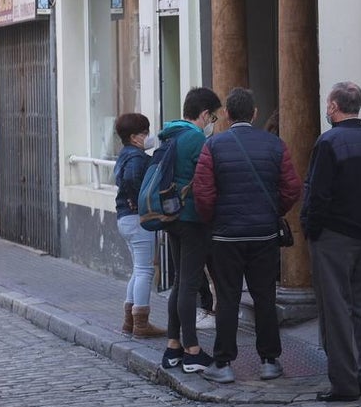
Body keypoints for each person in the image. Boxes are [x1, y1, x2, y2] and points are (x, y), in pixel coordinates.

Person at [192, 87, 302, 384]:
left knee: (227, 297)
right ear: (254, 113)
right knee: (264, 295)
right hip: (264, 234)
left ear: (226, 113)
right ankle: (269, 360)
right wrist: (271, 209)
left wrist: (214, 219)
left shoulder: (213, 146)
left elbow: (202, 193)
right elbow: (292, 187)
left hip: (226, 236)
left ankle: (223, 362)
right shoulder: (274, 145)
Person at [302, 81, 361, 402]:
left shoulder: (329, 143)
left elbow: (317, 193)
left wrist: (310, 228)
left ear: (332, 106)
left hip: (334, 236)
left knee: (336, 309)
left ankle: (344, 381)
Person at [158, 86, 223, 374]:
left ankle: (173, 347)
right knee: (189, 284)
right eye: (214, 118)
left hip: (171, 216)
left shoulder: (170, 133)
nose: (213, 124)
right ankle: (193, 351)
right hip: (193, 219)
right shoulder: (196, 138)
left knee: (178, 283)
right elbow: (208, 178)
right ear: (205, 114)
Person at [113, 112, 165, 338]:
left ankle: (129, 322)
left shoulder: (124, 154)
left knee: (137, 269)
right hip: (137, 218)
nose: (148, 136)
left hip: (125, 218)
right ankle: (141, 324)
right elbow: (133, 179)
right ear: (135, 137)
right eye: (145, 132)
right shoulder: (136, 158)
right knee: (144, 270)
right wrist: (139, 200)